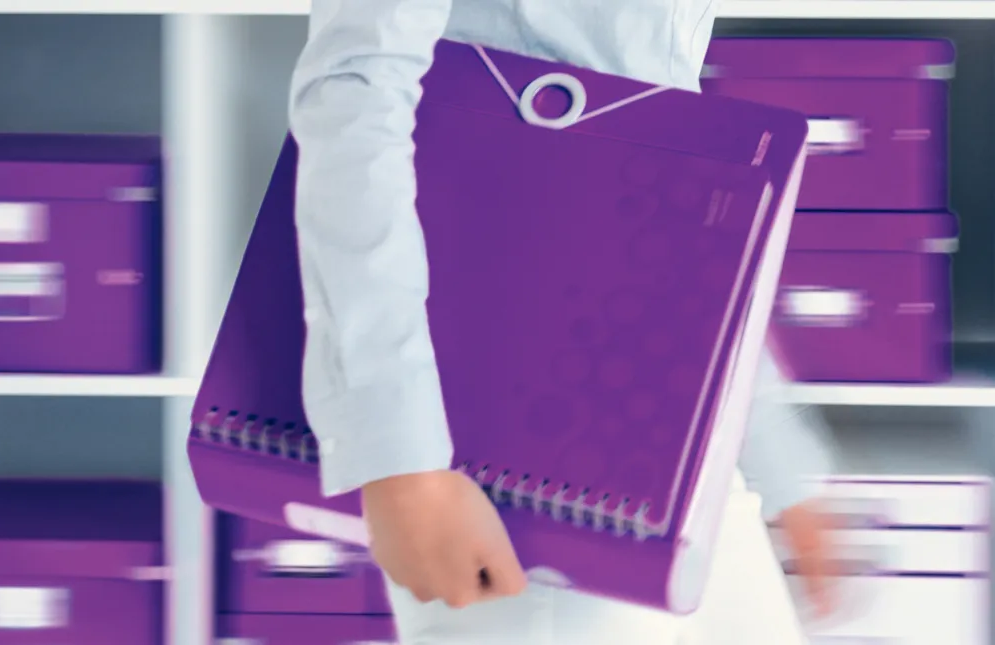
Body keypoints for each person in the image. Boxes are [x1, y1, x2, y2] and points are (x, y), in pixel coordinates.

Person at [288, 1, 839, 643]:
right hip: (523, 436)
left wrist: (769, 450)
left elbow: (663, 146)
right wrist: (401, 458)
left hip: (670, 424)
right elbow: (356, 85)